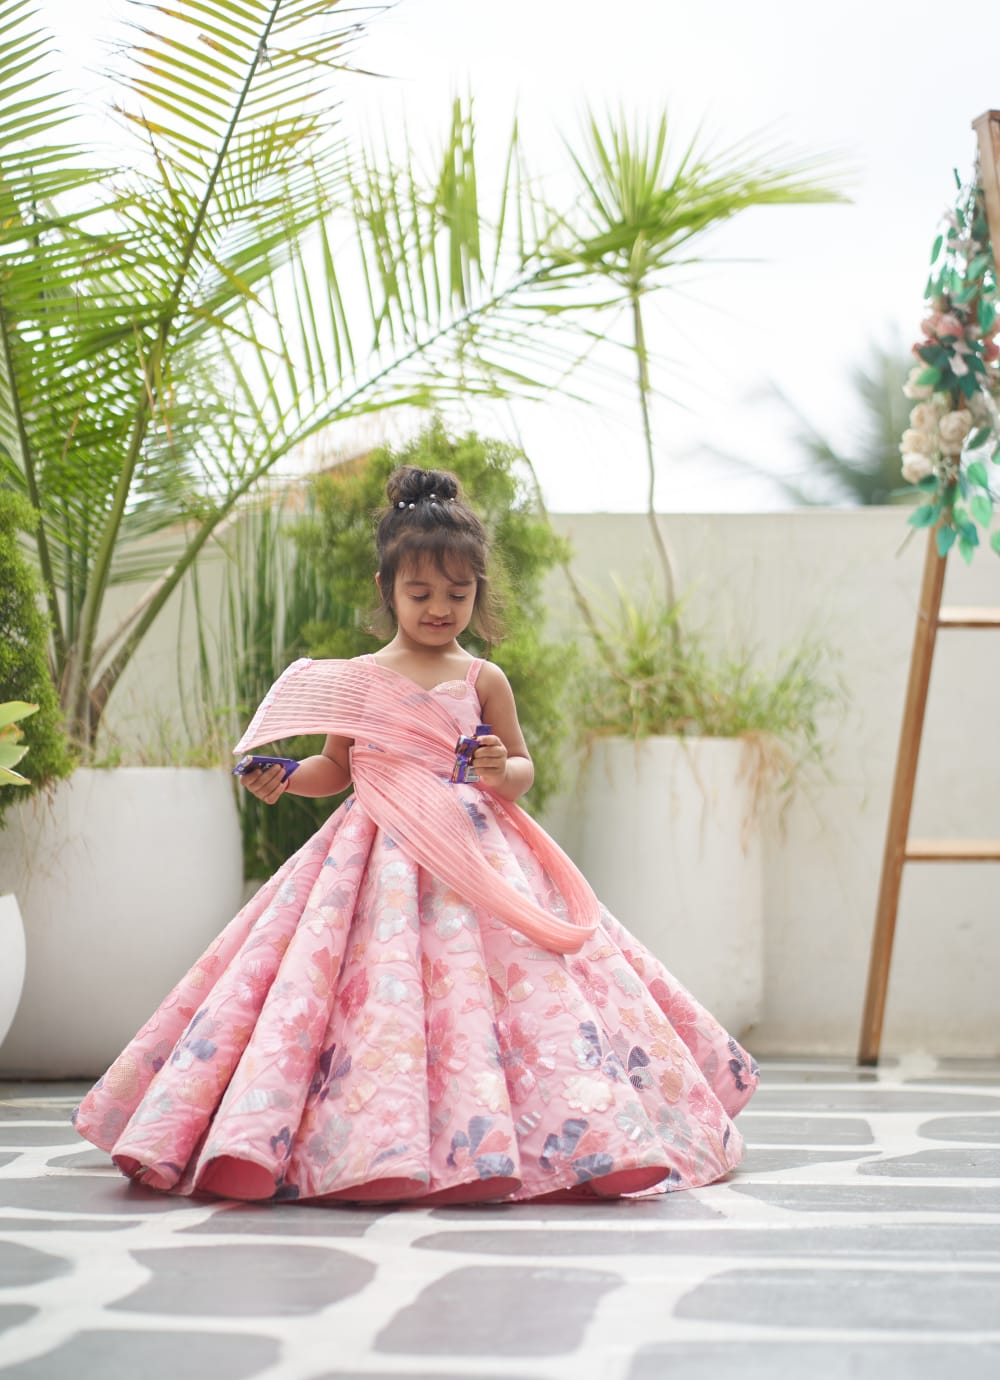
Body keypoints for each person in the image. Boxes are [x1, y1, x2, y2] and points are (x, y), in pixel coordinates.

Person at [73, 465, 758, 1203]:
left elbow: (522, 768)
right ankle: (365, 1139)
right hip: (375, 861)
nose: (439, 609)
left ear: (479, 592)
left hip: (475, 856)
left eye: (458, 594)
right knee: (379, 994)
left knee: (516, 995)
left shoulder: (483, 680)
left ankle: (559, 1136)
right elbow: (335, 768)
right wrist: (282, 775)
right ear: (386, 589)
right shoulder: (359, 680)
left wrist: (501, 768)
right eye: (421, 593)